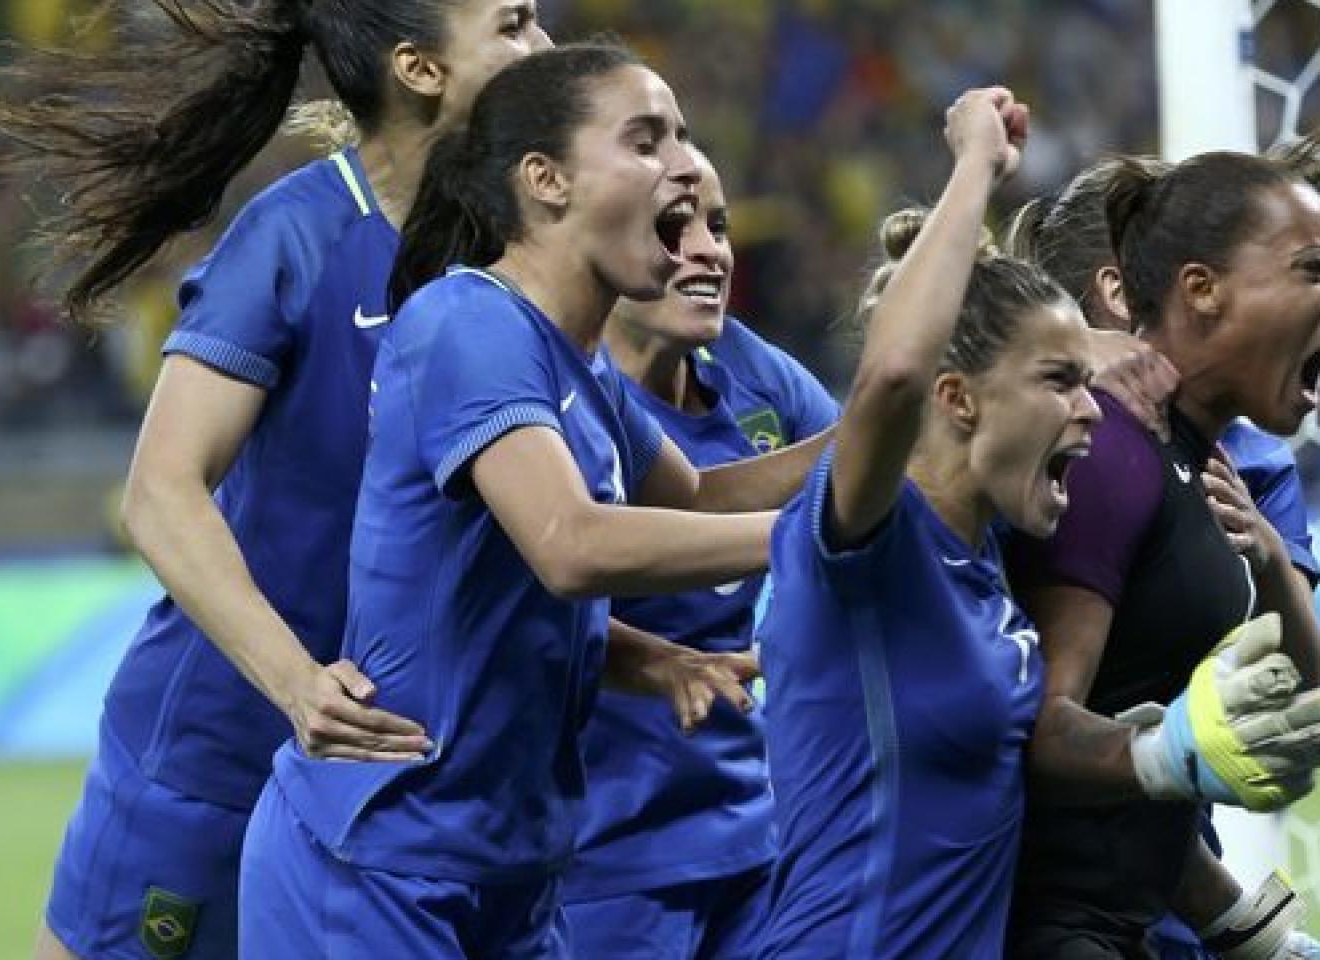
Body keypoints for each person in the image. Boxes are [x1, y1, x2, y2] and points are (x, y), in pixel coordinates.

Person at [0, 3, 554, 958]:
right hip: (223, 759)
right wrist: (296, 685)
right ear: (420, 68)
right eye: (515, 24)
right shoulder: (299, 236)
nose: (546, 49)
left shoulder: (517, 258)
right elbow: (161, 492)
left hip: (405, 793)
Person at [238, 43, 826, 959]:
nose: (683, 164)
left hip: (514, 873)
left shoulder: (581, 366)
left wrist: (893, 425)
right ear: (545, 180)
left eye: (681, 136)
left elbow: (702, 500)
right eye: (646, 141)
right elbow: (569, 543)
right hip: (384, 860)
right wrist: (810, 532)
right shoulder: (468, 322)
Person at [750, 83, 1099, 957]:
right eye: (1060, 381)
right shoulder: (873, 539)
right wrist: (976, 163)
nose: (1090, 409)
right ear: (959, 398)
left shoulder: (985, 562)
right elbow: (893, 375)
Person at [1004, 138, 1320, 960]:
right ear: (1200, 289)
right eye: (1315, 269)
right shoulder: (1106, 449)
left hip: (1132, 926)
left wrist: (1248, 933)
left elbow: (1292, 688)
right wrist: (1162, 755)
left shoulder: (1204, 462)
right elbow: (1037, 729)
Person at [562, 145, 839, 959]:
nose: (709, 251)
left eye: (717, 227)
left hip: (753, 839)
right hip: (597, 853)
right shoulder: (549, 392)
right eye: (673, 228)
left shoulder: (751, 372)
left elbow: (862, 476)